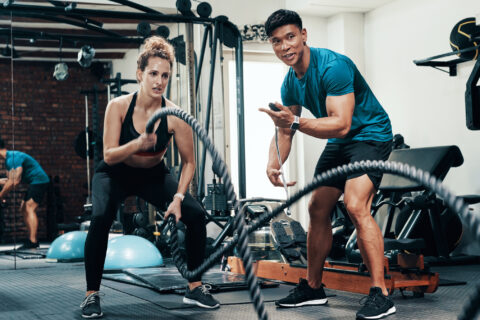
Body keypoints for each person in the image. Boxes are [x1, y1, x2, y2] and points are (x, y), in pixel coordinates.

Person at [260, 10, 395, 320]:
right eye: (276, 41)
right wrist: (273, 163)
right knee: (317, 208)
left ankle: (380, 293)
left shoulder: (334, 67)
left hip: (370, 135)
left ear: (304, 35)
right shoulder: (290, 84)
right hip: (340, 143)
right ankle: (313, 287)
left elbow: (343, 124)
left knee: (355, 203)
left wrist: (294, 121)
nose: (285, 47)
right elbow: (285, 130)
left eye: (290, 37)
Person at [80, 36, 219, 319]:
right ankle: (91, 294)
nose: (159, 81)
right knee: (101, 217)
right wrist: (136, 144)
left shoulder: (176, 115)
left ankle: (194, 287)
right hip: (115, 173)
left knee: (195, 215)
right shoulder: (118, 106)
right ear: (140, 74)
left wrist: (179, 198)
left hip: (153, 175)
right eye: (153, 74)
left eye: (165, 75)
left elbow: (189, 162)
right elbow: (108, 155)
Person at [0, 138, 50, 250]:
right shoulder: (9, 160)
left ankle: (33, 241)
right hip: (35, 182)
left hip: (39, 181)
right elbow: (10, 180)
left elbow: (14, 182)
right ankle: (31, 240)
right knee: (23, 208)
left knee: (29, 208)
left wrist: (1, 196)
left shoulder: (12, 158)